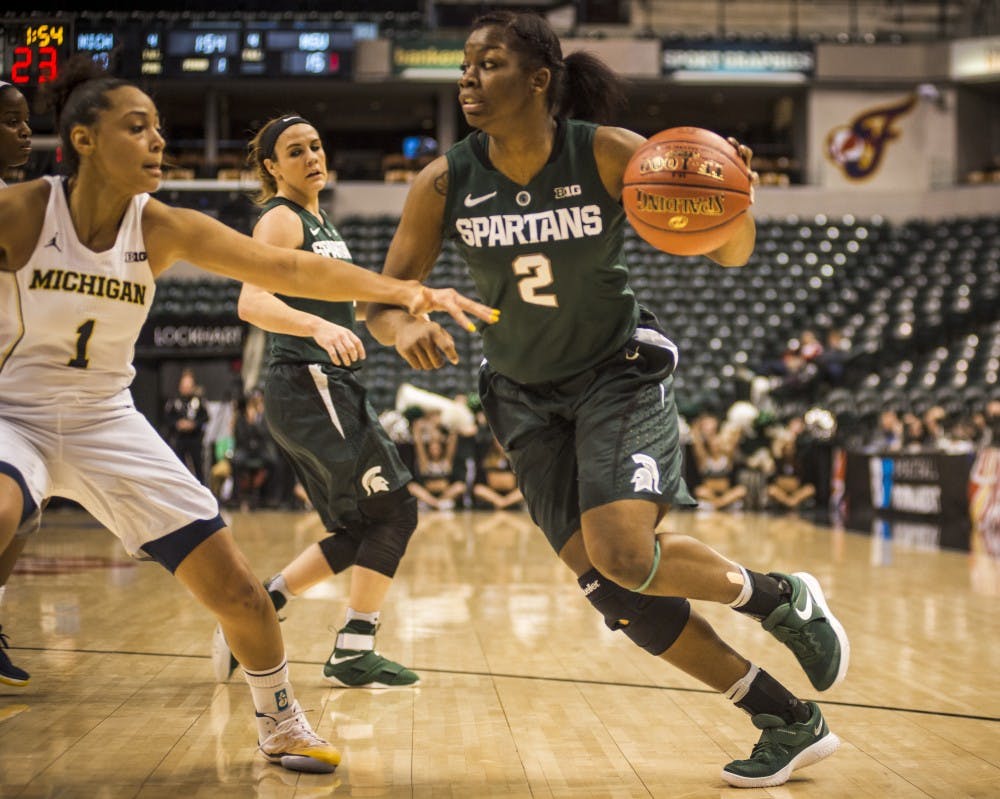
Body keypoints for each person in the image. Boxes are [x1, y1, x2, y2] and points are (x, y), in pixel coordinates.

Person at [365, 12, 848, 789]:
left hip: (615, 372)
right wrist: (400, 324)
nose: (467, 78)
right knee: (614, 591)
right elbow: (383, 297)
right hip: (520, 396)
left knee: (625, 551)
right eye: (464, 65)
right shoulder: (445, 179)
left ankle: (779, 597)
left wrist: (733, 198)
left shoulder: (607, 153)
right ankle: (787, 718)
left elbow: (731, 252)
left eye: (487, 63)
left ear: (537, 79)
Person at [0, 58, 496, 773]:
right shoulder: (22, 212)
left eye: (160, 129)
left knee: (241, 593)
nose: (158, 142)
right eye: (137, 128)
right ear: (81, 138)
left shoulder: (161, 224)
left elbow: (291, 275)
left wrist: (407, 292)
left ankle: (281, 721)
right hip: (14, 411)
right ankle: (354, 641)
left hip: (106, 419)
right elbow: (273, 292)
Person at [211, 113, 421, 689]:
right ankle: (354, 647)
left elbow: (334, 300)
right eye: (295, 151)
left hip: (322, 384)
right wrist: (316, 329)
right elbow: (252, 302)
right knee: (397, 511)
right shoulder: (280, 219)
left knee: (361, 528)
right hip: (309, 380)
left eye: (317, 146)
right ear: (273, 167)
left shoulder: (318, 219)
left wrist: (396, 314)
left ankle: (261, 606)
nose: (311, 157)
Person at [0, 80, 33, 688]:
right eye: (11, 121)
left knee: (25, 515)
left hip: (14, 380)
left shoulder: (17, 197)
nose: (26, 130)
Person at [162, 368, 210, 484]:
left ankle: (202, 492)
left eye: (189, 386)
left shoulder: (198, 401)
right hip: (179, 439)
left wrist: (193, 424)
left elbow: (205, 417)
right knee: (179, 468)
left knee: (198, 468)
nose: (186, 388)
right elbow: (167, 418)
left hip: (195, 439)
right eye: (184, 386)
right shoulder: (174, 401)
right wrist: (177, 424)